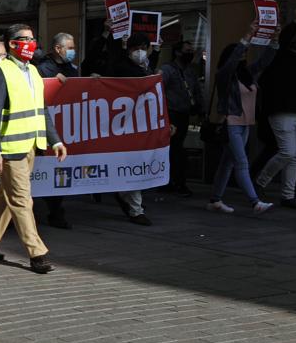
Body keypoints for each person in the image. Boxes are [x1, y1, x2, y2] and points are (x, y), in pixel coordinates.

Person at [0, 23, 66, 275]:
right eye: (26, 39)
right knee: (22, 200)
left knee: (5, 196)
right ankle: (37, 253)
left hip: (32, 145)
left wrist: (54, 140)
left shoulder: (33, 71)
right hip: (11, 148)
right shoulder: (0, 71)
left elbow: (40, 109)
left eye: (33, 39)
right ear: (12, 44)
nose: (31, 44)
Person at [208, 24, 278, 215]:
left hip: (245, 124)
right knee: (241, 162)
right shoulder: (224, 76)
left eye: (245, 53)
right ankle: (254, 202)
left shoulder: (247, 75)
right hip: (231, 123)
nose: (244, 55)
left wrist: (274, 41)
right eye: (241, 53)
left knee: (227, 163)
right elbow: (230, 64)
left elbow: (264, 62)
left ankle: (215, 199)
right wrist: (246, 37)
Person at [255, 18, 296, 209]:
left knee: (295, 157)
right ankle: (261, 181)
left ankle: (288, 195)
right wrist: (295, 21)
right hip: (282, 112)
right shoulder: (279, 58)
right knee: (288, 152)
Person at [104, 32, 155, 226]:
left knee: (136, 164)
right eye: (136, 49)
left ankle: (128, 199)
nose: (140, 53)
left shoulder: (148, 68)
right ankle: (135, 208)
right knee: (132, 163)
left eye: (144, 48)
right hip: (124, 124)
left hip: (142, 124)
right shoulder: (122, 67)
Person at [32, 32, 81, 230]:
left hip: (65, 127)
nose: (72, 51)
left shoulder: (70, 68)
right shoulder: (43, 68)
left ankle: (55, 211)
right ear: (58, 49)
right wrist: (51, 79)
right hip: (47, 128)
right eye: (69, 47)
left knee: (56, 171)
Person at [160, 40, 202, 197]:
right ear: (178, 52)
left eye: (191, 50)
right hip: (172, 113)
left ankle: (175, 180)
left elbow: (196, 90)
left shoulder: (190, 71)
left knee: (177, 148)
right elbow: (160, 90)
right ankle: (174, 181)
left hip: (184, 113)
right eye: (187, 50)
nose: (190, 53)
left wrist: (199, 108)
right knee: (175, 149)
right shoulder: (168, 70)